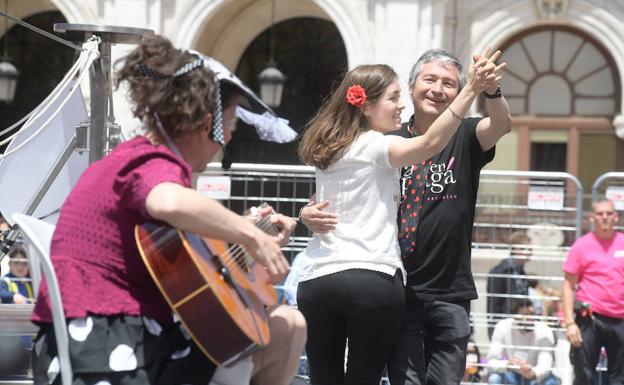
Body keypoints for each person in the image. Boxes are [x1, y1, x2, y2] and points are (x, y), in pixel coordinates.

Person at [30, 35, 306, 385]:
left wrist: (251, 242)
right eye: (231, 127)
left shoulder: (134, 157)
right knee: (287, 328)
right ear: (208, 124)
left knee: (287, 326)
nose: (228, 141)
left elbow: (187, 272)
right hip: (110, 352)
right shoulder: (152, 162)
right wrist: (249, 232)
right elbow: (168, 200)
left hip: (97, 345)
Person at [301, 47, 511, 385]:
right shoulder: (383, 139)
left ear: (457, 93)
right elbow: (346, 188)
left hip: (449, 288)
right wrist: (308, 210)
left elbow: (502, 124)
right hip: (399, 284)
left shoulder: (466, 133)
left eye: (449, 83)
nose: (437, 89)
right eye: (429, 79)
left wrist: (491, 90)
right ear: (412, 88)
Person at [562, 199, 624, 385]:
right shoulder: (581, 246)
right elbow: (568, 285)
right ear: (592, 218)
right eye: (599, 214)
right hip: (590, 319)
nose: (604, 217)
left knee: (618, 378)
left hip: (620, 320)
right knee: (584, 375)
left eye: (608, 213)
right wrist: (570, 323)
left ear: (616, 217)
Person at [486, 299, 560, 385]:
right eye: (525, 315)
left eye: (532, 314)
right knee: (494, 379)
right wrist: (508, 364)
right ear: (515, 317)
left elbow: (545, 364)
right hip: (511, 373)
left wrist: (533, 373)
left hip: (534, 375)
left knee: (550, 382)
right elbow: (491, 361)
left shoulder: (544, 331)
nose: (531, 319)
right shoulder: (503, 327)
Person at [487, 231, 532, 338]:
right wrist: (494, 333)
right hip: (504, 328)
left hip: (519, 327)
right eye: (527, 249)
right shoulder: (499, 272)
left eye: (531, 249)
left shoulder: (520, 273)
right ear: (516, 249)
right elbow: (494, 305)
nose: (530, 253)